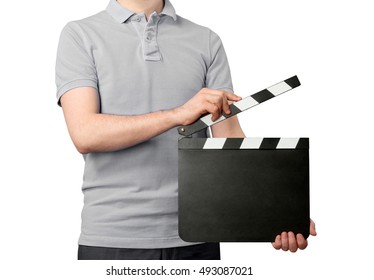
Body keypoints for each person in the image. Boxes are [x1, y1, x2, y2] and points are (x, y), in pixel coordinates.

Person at [55, 0, 316, 260]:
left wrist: (279, 209)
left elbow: (229, 139)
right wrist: (177, 115)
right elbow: (85, 134)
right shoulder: (80, 34)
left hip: (198, 232)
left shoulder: (206, 40)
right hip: (112, 237)